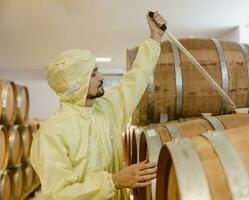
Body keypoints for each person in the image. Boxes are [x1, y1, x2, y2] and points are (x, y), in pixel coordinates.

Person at [30, 11, 166, 200]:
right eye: (93, 74)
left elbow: (136, 78)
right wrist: (114, 182)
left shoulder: (106, 108)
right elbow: (59, 194)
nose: (102, 77)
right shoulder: (52, 133)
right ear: (76, 85)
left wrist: (154, 39)